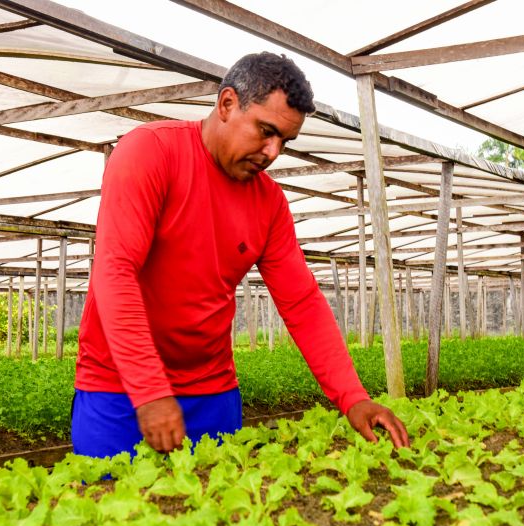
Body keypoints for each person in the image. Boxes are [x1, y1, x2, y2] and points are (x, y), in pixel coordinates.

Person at [72, 52, 410, 458]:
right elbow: (116, 270)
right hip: (119, 389)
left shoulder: (268, 202)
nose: (272, 153)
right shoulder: (150, 152)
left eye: (284, 141)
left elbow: (301, 303)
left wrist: (353, 397)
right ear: (227, 104)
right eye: (265, 131)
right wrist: (149, 389)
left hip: (212, 392)